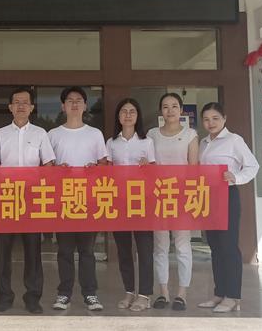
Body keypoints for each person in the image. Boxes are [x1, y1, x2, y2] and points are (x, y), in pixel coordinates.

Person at [0, 87, 55, 314]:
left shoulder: (40, 134)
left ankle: (33, 298)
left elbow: (48, 165)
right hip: (6, 198)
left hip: (32, 199)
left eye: (25, 102)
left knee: (33, 251)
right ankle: (4, 298)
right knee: (3, 252)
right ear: (10, 107)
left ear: (32, 107)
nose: (21, 106)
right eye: (17, 102)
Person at [47, 86, 107, 311]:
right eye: (70, 100)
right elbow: (46, 166)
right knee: (64, 250)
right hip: (63, 199)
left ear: (85, 105)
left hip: (88, 199)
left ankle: (90, 294)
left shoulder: (95, 134)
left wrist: (95, 168)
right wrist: (56, 169)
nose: (74, 103)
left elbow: (104, 164)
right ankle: (64, 294)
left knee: (87, 250)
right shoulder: (53, 134)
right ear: (63, 106)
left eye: (79, 100)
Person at [197, 102, 259, 313]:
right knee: (215, 246)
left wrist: (236, 177)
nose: (211, 123)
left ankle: (233, 296)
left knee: (229, 246)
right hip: (208, 197)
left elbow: (253, 166)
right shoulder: (203, 143)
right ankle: (219, 293)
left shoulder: (234, 140)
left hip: (227, 196)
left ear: (224, 118)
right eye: (206, 119)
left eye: (215, 118)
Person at [147, 92, 198, 311]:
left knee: (182, 245)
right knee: (160, 246)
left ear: (181, 110)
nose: (170, 110)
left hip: (182, 197)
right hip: (158, 196)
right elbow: (149, 165)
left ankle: (182, 294)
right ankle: (163, 292)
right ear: (161, 111)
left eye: (174, 106)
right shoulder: (152, 134)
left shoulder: (190, 134)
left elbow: (194, 168)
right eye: (166, 106)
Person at [106, 98, 155, 312]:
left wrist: (147, 167)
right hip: (119, 202)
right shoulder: (111, 143)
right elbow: (107, 171)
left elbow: (154, 172)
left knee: (144, 249)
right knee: (123, 249)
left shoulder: (147, 142)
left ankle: (144, 294)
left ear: (137, 116)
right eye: (124, 111)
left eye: (132, 111)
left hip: (142, 201)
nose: (128, 115)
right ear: (118, 116)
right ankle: (128, 291)